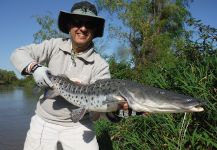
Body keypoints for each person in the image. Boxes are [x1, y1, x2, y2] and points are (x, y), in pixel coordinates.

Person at [10, 1, 131, 150]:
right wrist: (35, 68)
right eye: (77, 22)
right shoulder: (53, 45)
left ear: (94, 30)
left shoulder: (101, 65)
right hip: (44, 121)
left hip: (80, 124)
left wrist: (122, 111)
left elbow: (99, 114)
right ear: (69, 25)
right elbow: (18, 54)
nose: (83, 28)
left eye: (90, 24)